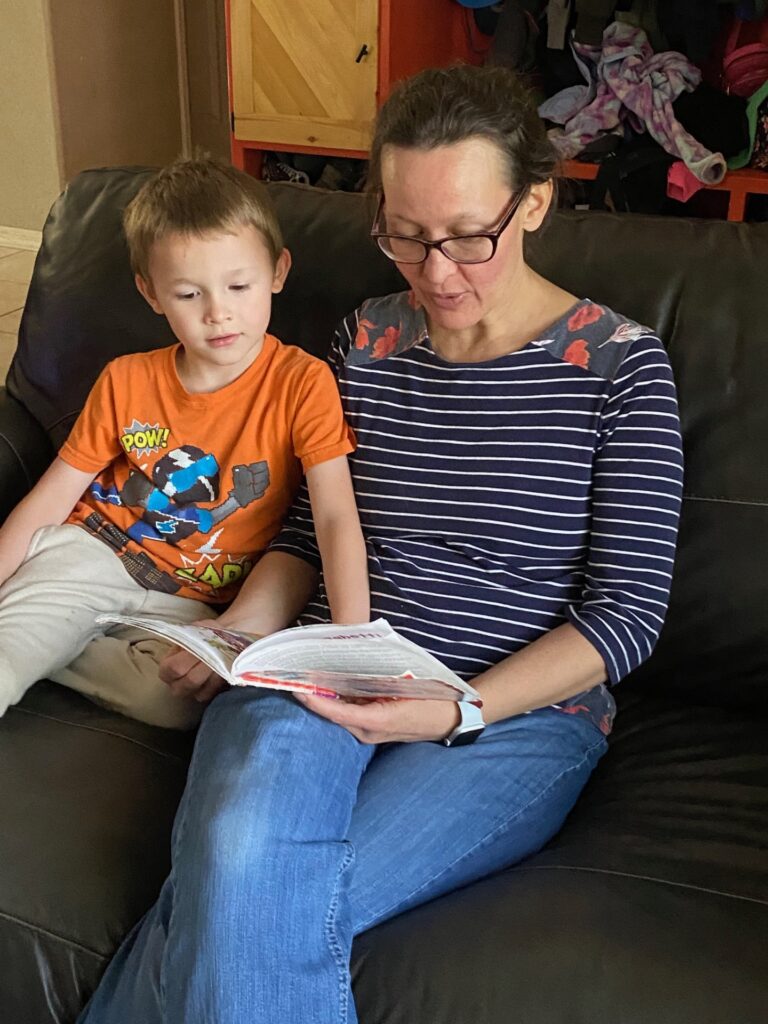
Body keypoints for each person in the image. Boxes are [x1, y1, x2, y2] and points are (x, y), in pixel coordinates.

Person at [78, 66, 684, 1022]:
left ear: (535, 201)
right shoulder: (365, 338)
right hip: (321, 669)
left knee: (239, 897)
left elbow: (626, 619)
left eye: (469, 237)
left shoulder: (621, 369)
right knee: (243, 862)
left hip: (512, 717)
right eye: (405, 236)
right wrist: (242, 632)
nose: (437, 272)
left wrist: (456, 712)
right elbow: (305, 535)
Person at [0, 157, 369, 729]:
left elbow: (336, 518)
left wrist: (352, 643)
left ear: (278, 271)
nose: (219, 313)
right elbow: (51, 497)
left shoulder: (304, 383)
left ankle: (57, 641)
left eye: (239, 286)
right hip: (93, 556)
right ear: (151, 293)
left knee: (178, 705)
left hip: (191, 602)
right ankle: (39, 629)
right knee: (10, 657)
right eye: (189, 294)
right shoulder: (127, 379)